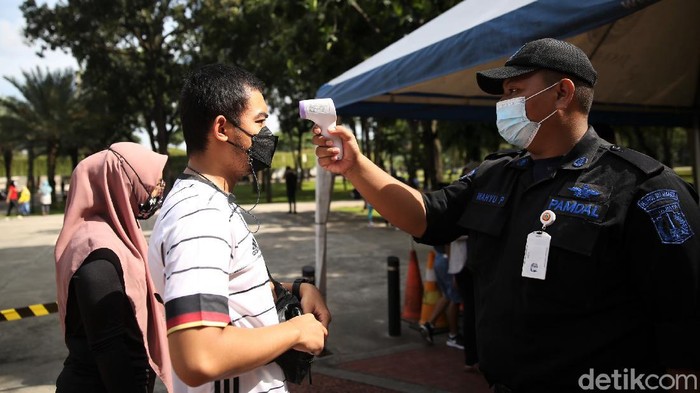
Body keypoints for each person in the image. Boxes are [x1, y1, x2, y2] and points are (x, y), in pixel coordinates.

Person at [312, 38, 700, 392]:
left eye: (515, 91)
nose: (503, 105)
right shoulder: (496, 174)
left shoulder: (645, 188)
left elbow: (685, 321)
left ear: (563, 93)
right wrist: (355, 166)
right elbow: (426, 217)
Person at [147, 63, 330, 393]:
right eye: (259, 123)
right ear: (222, 128)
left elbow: (226, 285)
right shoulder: (199, 214)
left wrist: (296, 288)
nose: (267, 136)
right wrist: (297, 332)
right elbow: (198, 356)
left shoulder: (211, 202)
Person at [54, 142, 172, 393]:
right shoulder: (96, 252)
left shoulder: (117, 234)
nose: (157, 189)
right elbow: (109, 348)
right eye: (150, 182)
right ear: (122, 184)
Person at [419, 244, 464, 350]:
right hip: (448, 261)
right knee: (454, 298)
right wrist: (453, 268)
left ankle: (429, 325)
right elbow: (449, 243)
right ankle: (453, 336)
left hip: (440, 258)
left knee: (447, 295)